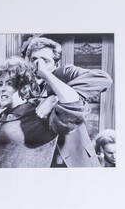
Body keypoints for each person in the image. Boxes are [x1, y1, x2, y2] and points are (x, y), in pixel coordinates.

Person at [17, 36, 113, 167]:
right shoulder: (21, 83)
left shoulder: (65, 73)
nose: (38, 65)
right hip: (40, 159)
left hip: (75, 160)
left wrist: (55, 95)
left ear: (56, 64)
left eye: (45, 60)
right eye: (34, 59)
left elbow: (103, 79)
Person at [0, 58, 88, 169]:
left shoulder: (40, 113)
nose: (1, 89)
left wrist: (45, 74)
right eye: (0, 84)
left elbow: (74, 105)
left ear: (23, 86)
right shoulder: (1, 114)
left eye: (9, 83)